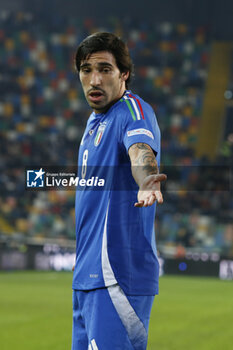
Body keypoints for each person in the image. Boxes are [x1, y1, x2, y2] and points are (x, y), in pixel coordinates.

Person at [72, 32, 166, 350]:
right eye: (86, 69)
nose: (94, 79)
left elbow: (140, 151)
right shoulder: (93, 121)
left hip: (117, 275)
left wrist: (146, 180)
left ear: (124, 73)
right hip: (86, 277)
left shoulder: (132, 112)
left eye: (105, 69)